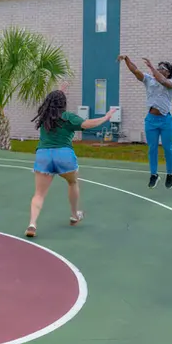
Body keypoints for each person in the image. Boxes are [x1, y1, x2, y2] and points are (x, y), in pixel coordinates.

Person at [26, 86, 117, 238]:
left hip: (43, 155)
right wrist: (106, 117)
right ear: (63, 103)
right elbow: (88, 124)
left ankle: (32, 224)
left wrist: (59, 90)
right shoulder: (68, 117)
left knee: (39, 194)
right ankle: (74, 215)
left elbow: (52, 101)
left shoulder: (43, 116)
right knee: (72, 183)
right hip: (64, 155)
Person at [118, 55, 172, 189]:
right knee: (152, 149)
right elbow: (136, 71)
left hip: (166, 120)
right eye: (158, 67)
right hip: (151, 120)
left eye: (162, 68)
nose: (159, 69)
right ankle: (154, 175)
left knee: (168, 149)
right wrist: (127, 59)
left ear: (168, 72)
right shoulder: (149, 80)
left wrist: (151, 67)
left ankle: (169, 174)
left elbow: (163, 81)